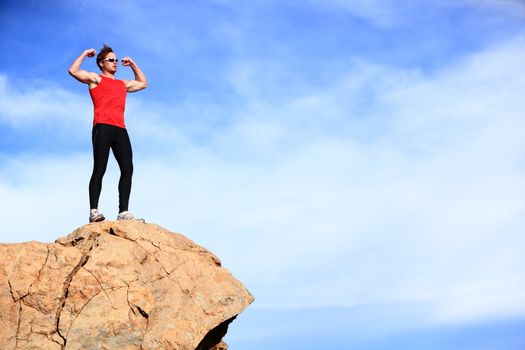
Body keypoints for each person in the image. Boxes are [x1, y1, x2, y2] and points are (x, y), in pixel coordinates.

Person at [68, 44, 148, 223]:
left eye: (116, 60)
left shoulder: (122, 84)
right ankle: (94, 211)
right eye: (111, 60)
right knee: (100, 168)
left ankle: (123, 212)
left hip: (120, 129)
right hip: (102, 127)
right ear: (102, 63)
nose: (115, 63)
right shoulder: (95, 79)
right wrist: (83, 53)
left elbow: (143, 83)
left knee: (128, 169)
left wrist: (133, 64)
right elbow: (73, 70)